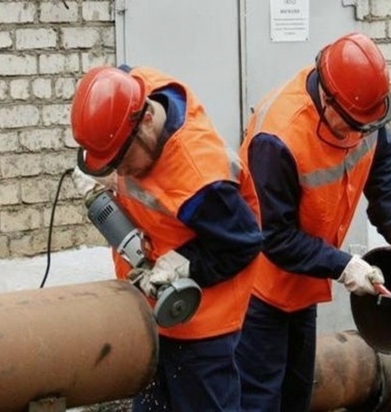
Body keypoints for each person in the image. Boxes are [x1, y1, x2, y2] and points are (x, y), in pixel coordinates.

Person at [235, 32, 391, 412]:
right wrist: (343, 264)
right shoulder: (278, 138)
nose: (359, 136)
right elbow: (275, 237)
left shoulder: (364, 110)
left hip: (302, 283)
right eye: (352, 125)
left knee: (297, 394)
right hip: (259, 291)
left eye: (368, 127)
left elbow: (381, 168)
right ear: (327, 99)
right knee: (260, 399)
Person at [70, 65, 263, 412]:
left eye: (122, 160)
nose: (122, 173)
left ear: (145, 121)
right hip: (150, 317)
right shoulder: (135, 90)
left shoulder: (201, 180)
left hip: (202, 330)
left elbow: (245, 243)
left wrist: (185, 264)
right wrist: (99, 171)